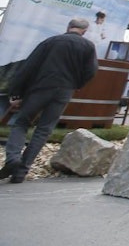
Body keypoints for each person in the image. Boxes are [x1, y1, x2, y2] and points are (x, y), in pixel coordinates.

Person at [1, 18, 98, 184]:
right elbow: (91, 71)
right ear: (85, 30)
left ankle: (13, 158)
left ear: (68, 27)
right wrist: (76, 84)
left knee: (22, 123)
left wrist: (16, 93)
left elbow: (29, 67)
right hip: (64, 91)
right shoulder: (88, 47)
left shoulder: (51, 42)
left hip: (41, 87)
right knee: (44, 129)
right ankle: (21, 172)